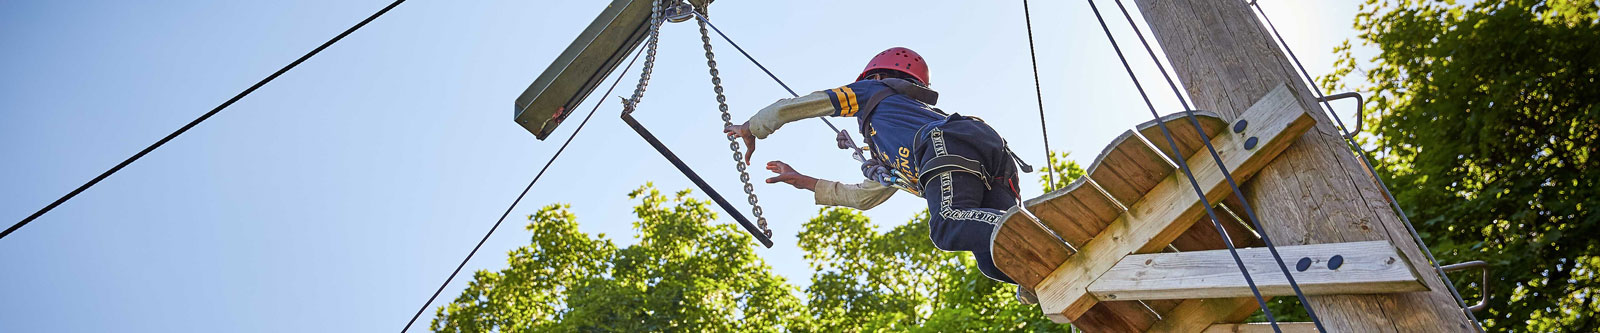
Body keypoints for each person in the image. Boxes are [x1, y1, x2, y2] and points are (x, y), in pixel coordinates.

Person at [724, 47, 1038, 304]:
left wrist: (753, 127)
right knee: (993, 259)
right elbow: (863, 197)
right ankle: (1043, 266)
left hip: (949, 142)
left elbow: (807, 104)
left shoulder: (873, 91)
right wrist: (802, 180)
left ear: (874, 76)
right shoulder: (896, 147)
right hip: (986, 151)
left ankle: (1040, 229)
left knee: (949, 224)